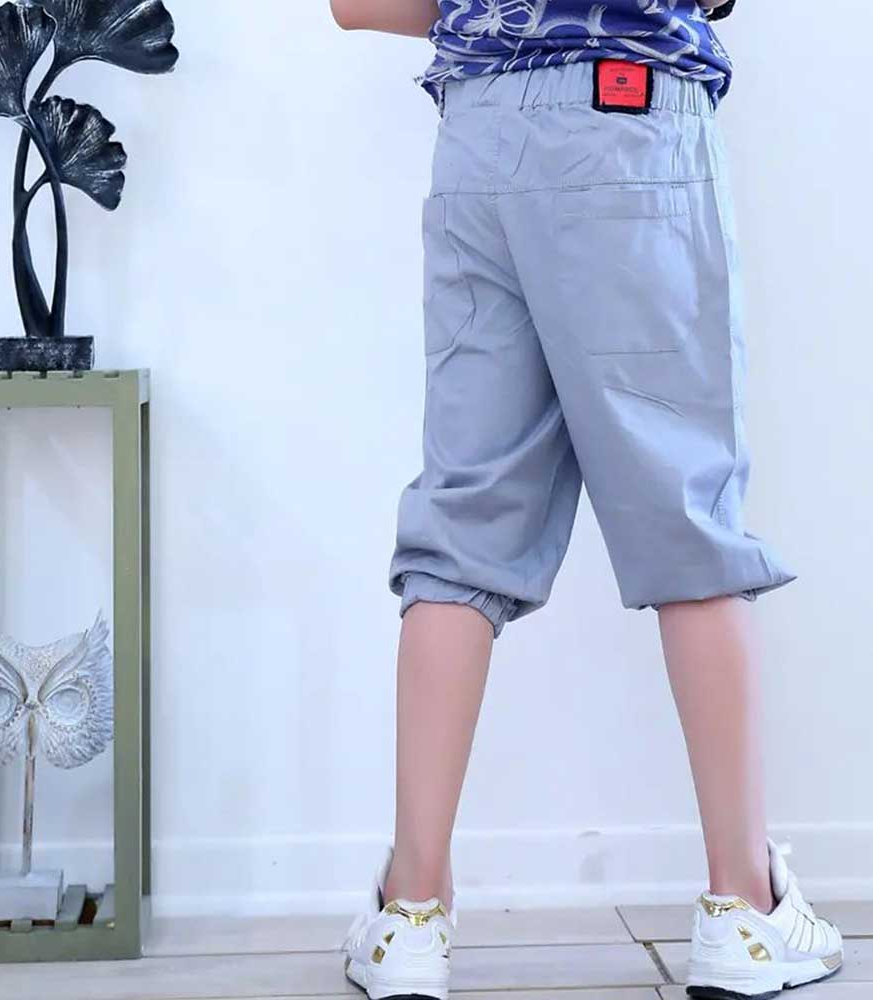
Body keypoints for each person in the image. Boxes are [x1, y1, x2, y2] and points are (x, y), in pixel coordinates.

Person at [331, 3, 844, 998]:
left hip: (479, 139)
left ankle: (411, 918)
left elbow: (356, 4)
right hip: (627, 121)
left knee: (462, 522)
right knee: (686, 513)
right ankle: (745, 910)